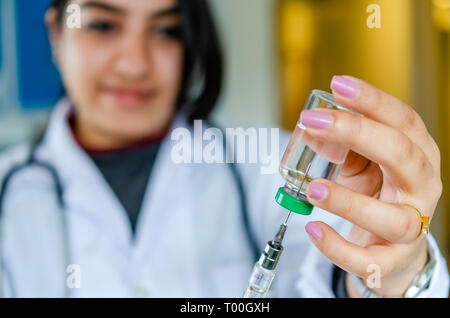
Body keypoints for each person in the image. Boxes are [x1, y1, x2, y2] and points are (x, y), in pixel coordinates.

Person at [0, 0, 448, 297]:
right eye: (102, 25)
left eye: (167, 31)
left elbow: (343, 269)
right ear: (57, 34)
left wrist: (396, 270)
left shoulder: (263, 164)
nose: (134, 63)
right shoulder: (10, 188)